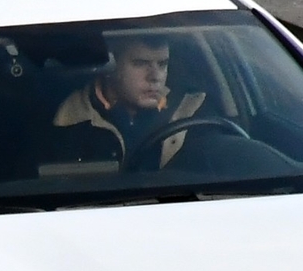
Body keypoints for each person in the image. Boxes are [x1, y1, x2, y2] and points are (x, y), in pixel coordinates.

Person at [46, 33, 208, 169]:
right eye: (140, 64)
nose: (155, 76)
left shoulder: (193, 113)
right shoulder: (67, 119)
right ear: (110, 67)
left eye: (162, 64)